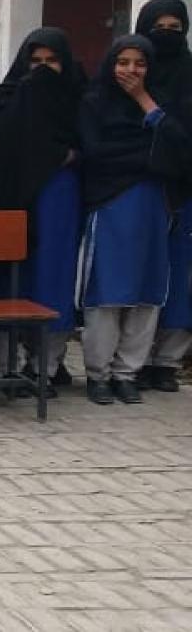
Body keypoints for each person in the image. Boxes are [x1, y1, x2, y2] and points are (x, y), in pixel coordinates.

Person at [77, 36, 189, 405]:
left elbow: (179, 150)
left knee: (146, 294)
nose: (131, 70)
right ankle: (98, 374)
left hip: (154, 209)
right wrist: (150, 157)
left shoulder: (160, 104)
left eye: (140, 63)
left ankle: (127, 373)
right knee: (107, 294)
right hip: (110, 206)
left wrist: (144, 101)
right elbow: (95, 154)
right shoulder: (94, 103)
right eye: (123, 62)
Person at [0, 28, 85, 392]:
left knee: (53, 277)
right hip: (13, 200)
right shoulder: (8, 96)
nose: (42, 70)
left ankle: (47, 366)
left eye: (51, 61)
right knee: (14, 281)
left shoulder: (78, 96)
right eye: (35, 61)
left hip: (58, 198)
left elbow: (93, 142)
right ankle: (9, 367)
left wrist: (72, 155)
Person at [134, 0, 192, 390]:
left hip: (186, 189)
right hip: (142, 189)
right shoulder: (131, 71)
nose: (167, 35)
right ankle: (134, 361)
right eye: (159, 28)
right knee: (144, 272)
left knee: (182, 276)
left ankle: (167, 361)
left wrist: (151, 108)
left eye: (175, 29)